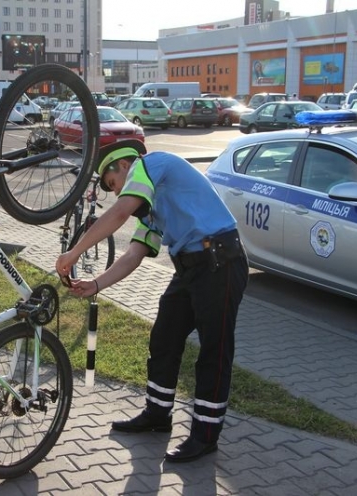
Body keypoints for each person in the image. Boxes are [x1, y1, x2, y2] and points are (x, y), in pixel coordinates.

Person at [56, 140, 249, 463]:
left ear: (125, 165)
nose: (117, 192)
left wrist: (74, 252)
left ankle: (205, 435)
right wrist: (96, 284)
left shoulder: (153, 163)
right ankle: (158, 414)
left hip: (220, 261)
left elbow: (119, 212)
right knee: (164, 338)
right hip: (190, 266)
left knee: (214, 351)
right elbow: (133, 255)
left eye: (114, 183)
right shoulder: (151, 207)